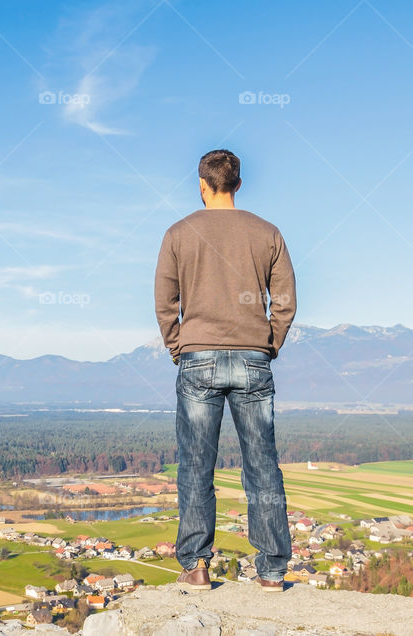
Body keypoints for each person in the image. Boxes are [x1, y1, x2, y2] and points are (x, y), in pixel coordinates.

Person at [154, 149, 296, 592]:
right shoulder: (267, 233)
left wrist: (179, 346)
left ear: (202, 185)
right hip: (254, 358)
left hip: (197, 359)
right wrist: (267, 344)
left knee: (196, 465)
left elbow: (165, 302)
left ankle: (196, 566)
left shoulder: (178, 234)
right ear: (238, 184)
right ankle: (271, 571)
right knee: (262, 466)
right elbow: (286, 301)